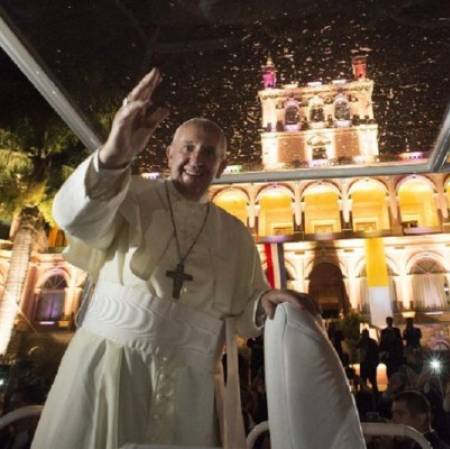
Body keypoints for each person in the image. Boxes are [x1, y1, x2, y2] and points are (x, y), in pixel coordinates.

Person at [31, 68, 319, 449]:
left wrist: (264, 300)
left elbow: (246, 304)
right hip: (110, 367)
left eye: (210, 152)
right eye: (188, 147)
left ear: (221, 166)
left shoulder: (233, 233)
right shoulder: (129, 195)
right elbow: (74, 217)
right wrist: (114, 155)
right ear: (168, 153)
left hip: (190, 384)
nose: (197, 158)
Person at [379, 316, 404, 381]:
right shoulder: (384, 331)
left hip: (396, 352)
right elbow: (382, 342)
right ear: (387, 322)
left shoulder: (396, 330)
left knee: (396, 368)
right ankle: (390, 381)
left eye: (390, 321)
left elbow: (400, 341)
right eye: (388, 321)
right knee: (389, 368)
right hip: (388, 353)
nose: (389, 322)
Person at [358, 329, 380, 393]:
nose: (363, 336)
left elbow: (376, 353)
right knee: (365, 381)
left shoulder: (371, 342)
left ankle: (373, 395)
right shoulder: (362, 342)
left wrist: (375, 362)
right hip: (365, 364)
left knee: (371, 381)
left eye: (364, 334)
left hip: (370, 364)